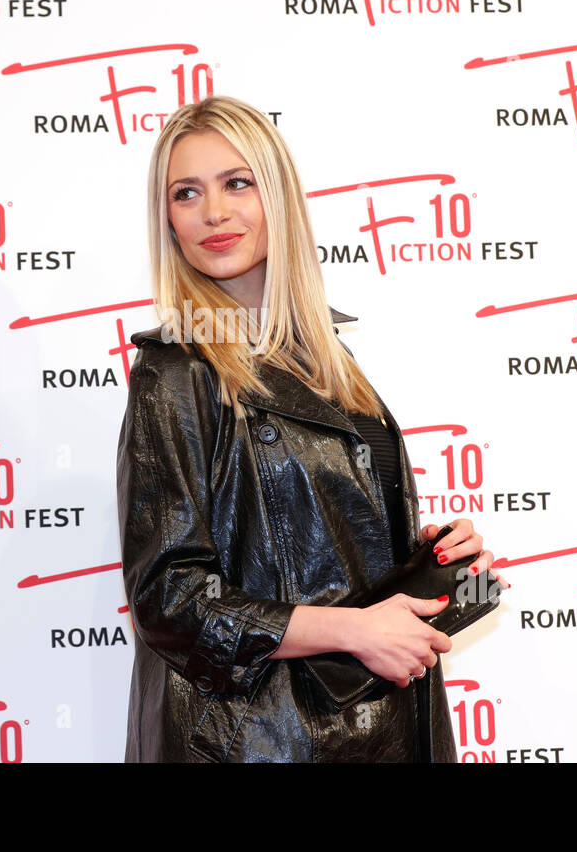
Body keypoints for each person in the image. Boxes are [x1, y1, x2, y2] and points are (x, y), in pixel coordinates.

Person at [116, 95, 505, 762]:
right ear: (168, 221)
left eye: (237, 183)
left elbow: (314, 550)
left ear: (279, 198)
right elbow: (171, 598)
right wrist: (352, 630)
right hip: (263, 739)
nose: (214, 211)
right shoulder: (176, 369)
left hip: (378, 722)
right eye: (187, 193)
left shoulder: (330, 362)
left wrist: (435, 558)